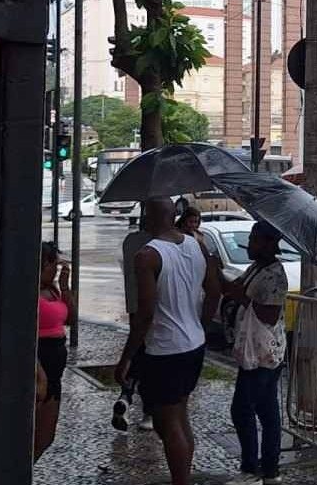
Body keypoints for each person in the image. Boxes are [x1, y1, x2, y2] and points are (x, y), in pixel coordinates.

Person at [115, 198, 222, 485]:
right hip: (194, 344)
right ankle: (182, 477)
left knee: (169, 422)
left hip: (165, 349)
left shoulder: (147, 255)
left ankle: (180, 481)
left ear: (149, 217)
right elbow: (214, 290)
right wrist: (201, 323)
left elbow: (145, 313)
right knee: (179, 416)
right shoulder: (196, 245)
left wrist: (127, 357)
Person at [226, 221, 289, 485]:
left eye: (253, 240)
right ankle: (271, 470)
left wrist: (242, 298)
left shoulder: (275, 274)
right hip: (255, 350)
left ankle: (251, 468)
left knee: (242, 409)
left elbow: (269, 314)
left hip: (263, 353)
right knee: (266, 410)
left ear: (266, 243)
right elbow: (234, 287)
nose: (249, 245)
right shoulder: (257, 268)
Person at [35, 241, 73, 461]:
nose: (56, 270)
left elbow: (71, 318)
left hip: (55, 372)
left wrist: (65, 286)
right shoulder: (29, 291)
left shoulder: (52, 290)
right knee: (31, 434)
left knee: (45, 437)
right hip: (40, 367)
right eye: (53, 266)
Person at [120, 221, 156, 431]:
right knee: (148, 362)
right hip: (156, 314)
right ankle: (148, 412)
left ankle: (126, 396)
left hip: (134, 308)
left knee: (138, 354)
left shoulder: (131, 241)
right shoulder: (163, 245)